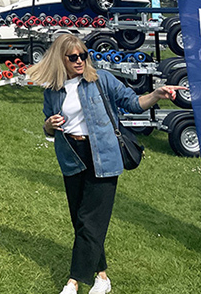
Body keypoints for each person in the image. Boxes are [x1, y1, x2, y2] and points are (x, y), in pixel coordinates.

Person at [28, 33, 182, 294]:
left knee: (90, 220)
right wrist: (48, 125)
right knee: (81, 220)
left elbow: (133, 103)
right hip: (71, 155)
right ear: (60, 60)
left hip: (103, 155)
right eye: (73, 57)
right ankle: (102, 277)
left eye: (83, 55)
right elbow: (48, 124)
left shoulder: (101, 80)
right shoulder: (53, 89)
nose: (80, 61)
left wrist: (156, 94)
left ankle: (73, 282)